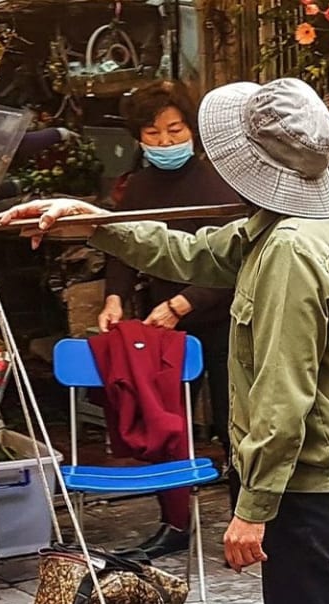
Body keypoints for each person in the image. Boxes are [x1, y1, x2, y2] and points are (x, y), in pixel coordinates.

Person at [2, 78, 329, 604]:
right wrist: (93, 220)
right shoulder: (277, 229)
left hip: (309, 482)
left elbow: (284, 392)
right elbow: (194, 254)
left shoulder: (295, 248)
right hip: (311, 473)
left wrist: (253, 509)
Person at [103, 80, 244, 559]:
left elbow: (239, 260)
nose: (165, 142)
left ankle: (247, 527)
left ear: (193, 130)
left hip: (224, 318)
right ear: (138, 138)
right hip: (165, 326)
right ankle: (175, 523)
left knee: (234, 424)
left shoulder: (220, 182)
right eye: (154, 133)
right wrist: (115, 297)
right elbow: (122, 244)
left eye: (174, 130)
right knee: (169, 424)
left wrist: (185, 302)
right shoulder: (137, 186)